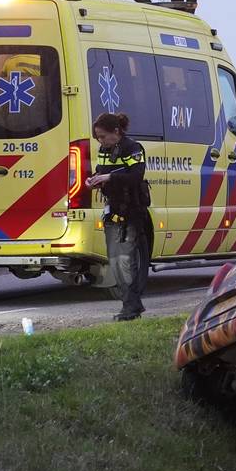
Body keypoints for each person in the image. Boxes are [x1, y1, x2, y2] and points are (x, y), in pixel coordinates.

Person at [87, 112, 151, 321]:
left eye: (103, 136)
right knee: (115, 260)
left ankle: (131, 308)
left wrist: (109, 177)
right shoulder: (105, 149)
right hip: (113, 209)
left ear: (116, 131)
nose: (100, 141)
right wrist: (95, 178)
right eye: (98, 137)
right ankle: (131, 306)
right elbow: (101, 169)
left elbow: (136, 175)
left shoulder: (132, 148)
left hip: (131, 210)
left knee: (125, 260)